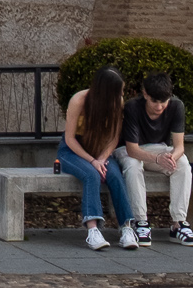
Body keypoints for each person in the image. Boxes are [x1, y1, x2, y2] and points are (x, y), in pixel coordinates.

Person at [59, 65, 139, 250]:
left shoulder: (116, 101)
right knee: (91, 175)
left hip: (101, 152)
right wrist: (92, 161)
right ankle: (93, 231)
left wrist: (102, 158)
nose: (121, 94)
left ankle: (126, 228)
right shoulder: (79, 100)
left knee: (115, 176)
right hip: (73, 151)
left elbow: (114, 137)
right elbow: (70, 139)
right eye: (118, 91)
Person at [120, 71, 193, 246]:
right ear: (145, 94)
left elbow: (179, 147)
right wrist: (158, 159)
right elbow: (132, 150)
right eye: (154, 101)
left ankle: (178, 224)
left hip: (158, 149)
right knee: (132, 165)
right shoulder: (133, 107)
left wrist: (170, 157)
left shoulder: (177, 106)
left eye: (163, 101)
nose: (159, 106)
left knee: (183, 163)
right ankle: (140, 221)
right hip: (129, 151)